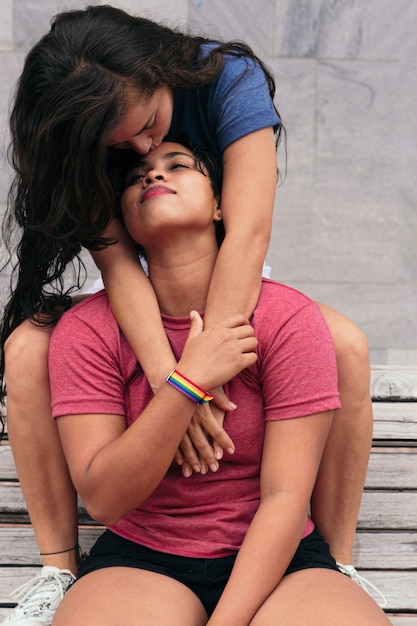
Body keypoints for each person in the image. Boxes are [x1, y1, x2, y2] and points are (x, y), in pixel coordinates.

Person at [0, 5, 374, 623]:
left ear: (158, 72)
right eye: (126, 152)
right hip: (142, 302)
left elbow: (249, 233)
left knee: (344, 344)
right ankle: (57, 567)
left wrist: (209, 371)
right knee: (28, 349)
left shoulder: (228, 81)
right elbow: (121, 266)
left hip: (234, 274)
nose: (145, 149)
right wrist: (180, 381)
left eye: (153, 128)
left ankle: (338, 561)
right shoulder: (82, 132)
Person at [47, 139, 390, 625]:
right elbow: (104, 499)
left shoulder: (288, 318)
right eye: (135, 176)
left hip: (279, 559)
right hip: (141, 555)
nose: (152, 177)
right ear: (124, 224)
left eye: (178, 165)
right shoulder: (87, 330)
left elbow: (285, 498)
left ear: (221, 205)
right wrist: (187, 383)